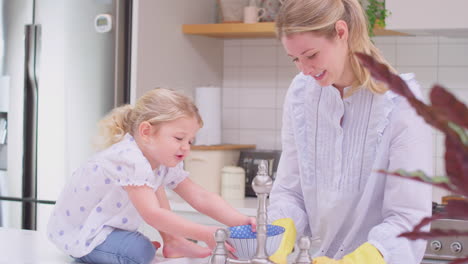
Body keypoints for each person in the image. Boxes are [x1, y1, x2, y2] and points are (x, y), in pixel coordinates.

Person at [267, 0, 433, 263]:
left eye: (311, 55)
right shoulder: (301, 94)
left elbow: (408, 218)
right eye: (295, 59)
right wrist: (280, 228)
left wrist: (363, 259)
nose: (304, 69)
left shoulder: (402, 102)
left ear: (341, 32)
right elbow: (290, 191)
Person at [47, 88, 256, 264]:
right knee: (141, 252)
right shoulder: (129, 158)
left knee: (156, 184)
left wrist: (241, 220)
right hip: (85, 234)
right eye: (179, 138)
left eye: (190, 141)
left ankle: (172, 241)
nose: (186, 147)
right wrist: (204, 233)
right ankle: (102, 252)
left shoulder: (161, 158)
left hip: (108, 227)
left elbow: (200, 197)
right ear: (146, 132)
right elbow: (152, 214)